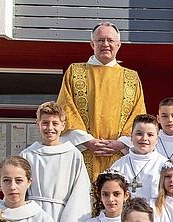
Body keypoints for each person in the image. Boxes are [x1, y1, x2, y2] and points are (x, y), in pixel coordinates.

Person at [57, 22, 146, 179]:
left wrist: (122, 143)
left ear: (118, 45)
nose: (106, 44)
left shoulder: (131, 78)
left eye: (110, 40)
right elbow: (65, 110)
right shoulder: (75, 72)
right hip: (83, 155)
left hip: (119, 156)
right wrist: (87, 141)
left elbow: (138, 115)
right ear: (92, 44)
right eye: (100, 40)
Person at [107, 114, 166, 203]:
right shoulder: (118, 166)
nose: (144, 138)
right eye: (139, 134)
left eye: (150, 135)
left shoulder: (165, 165)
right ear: (131, 136)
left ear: (157, 138)